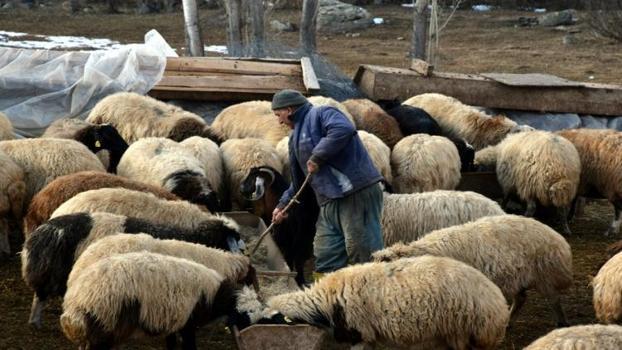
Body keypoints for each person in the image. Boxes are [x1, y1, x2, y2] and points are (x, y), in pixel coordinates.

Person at [270, 89, 384, 279]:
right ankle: (326, 300)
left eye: (278, 115)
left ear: (289, 109)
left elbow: (343, 129)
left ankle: (370, 294)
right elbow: (298, 181)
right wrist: (283, 205)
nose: (279, 121)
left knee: (362, 250)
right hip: (329, 201)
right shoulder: (294, 138)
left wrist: (317, 156)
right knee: (325, 254)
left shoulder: (322, 113)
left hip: (354, 193)